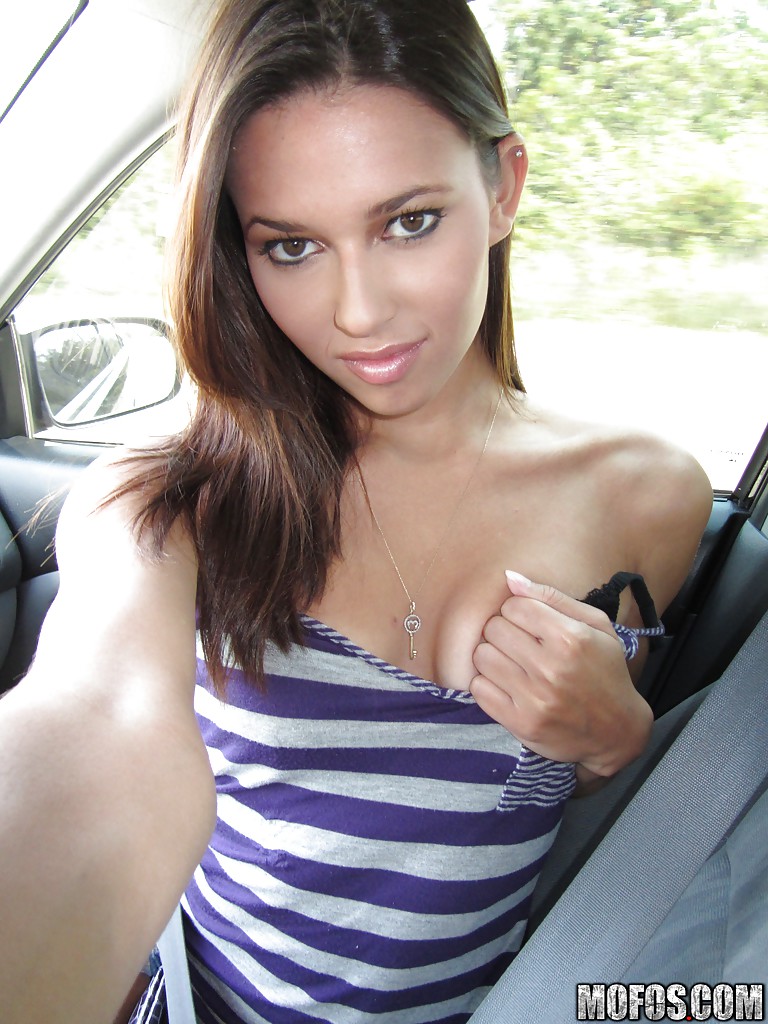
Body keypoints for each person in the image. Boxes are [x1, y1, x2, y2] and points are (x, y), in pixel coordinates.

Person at [0, 0, 712, 1022]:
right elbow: (97, 723)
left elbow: (547, 793)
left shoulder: (650, 499)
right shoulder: (168, 502)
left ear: (503, 187)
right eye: (292, 246)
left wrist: (612, 740)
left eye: (408, 222)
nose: (359, 312)